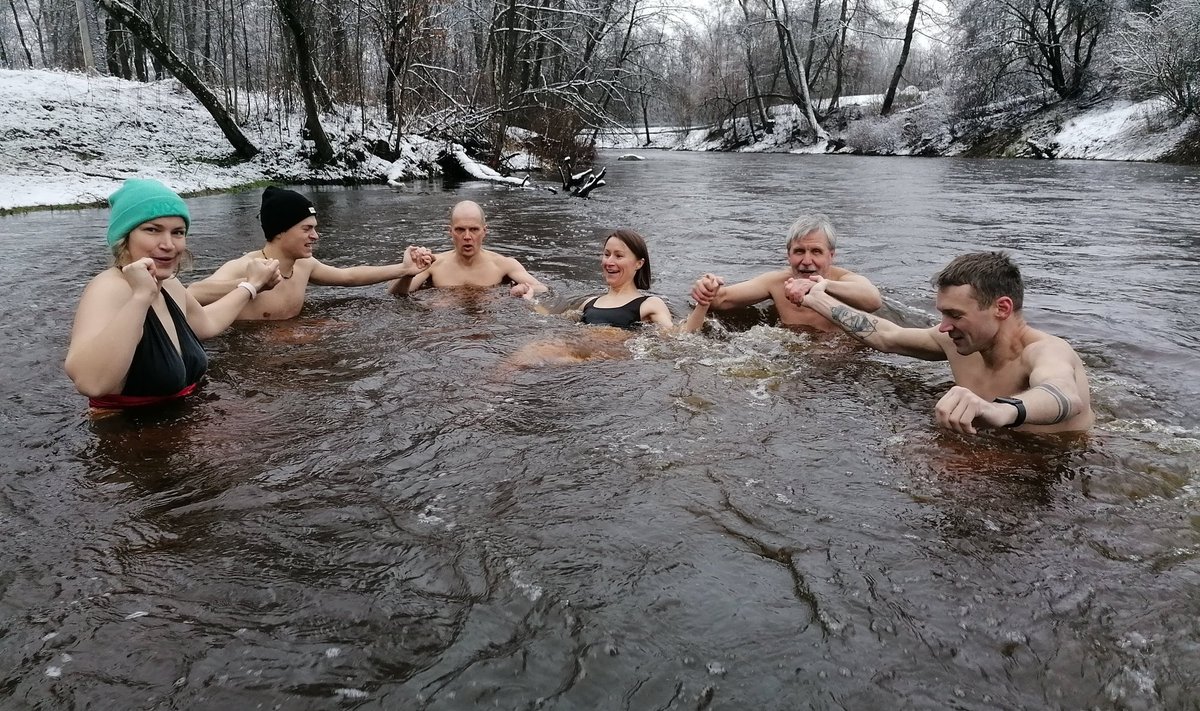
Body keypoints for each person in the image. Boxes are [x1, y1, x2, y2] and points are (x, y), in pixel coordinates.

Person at [786, 251, 1094, 434]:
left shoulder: (1045, 351)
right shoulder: (958, 342)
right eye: (943, 314)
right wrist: (818, 301)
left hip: (1057, 465)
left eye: (955, 315)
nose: (944, 327)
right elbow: (886, 336)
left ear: (1002, 308)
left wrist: (1002, 411)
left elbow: (1064, 395)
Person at [65, 179, 280, 409]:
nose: (168, 244)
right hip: (126, 438)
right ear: (124, 238)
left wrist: (252, 286)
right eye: (152, 230)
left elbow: (206, 323)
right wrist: (140, 298)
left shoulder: (169, 284)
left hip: (178, 432)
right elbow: (91, 383)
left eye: (177, 232)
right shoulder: (108, 288)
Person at [189, 186, 434, 319]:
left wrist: (404, 269)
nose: (315, 236)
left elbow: (348, 277)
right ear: (281, 230)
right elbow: (191, 293)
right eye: (307, 229)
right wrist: (251, 285)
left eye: (314, 229)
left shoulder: (304, 265)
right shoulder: (246, 267)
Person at [508, 230, 706, 367]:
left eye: (618, 256)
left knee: (532, 352)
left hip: (609, 361)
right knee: (527, 354)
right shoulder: (589, 303)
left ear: (638, 263)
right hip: (582, 356)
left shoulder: (649, 304)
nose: (609, 262)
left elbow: (677, 336)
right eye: (606, 254)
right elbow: (550, 319)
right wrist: (529, 299)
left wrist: (702, 304)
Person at [690, 213, 881, 330]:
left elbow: (873, 300)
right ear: (788, 255)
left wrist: (822, 285)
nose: (807, 261)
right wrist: (707, 287)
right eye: (799, 251)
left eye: (816, 251)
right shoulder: (776, 282)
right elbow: (721, 300)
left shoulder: (844, 280)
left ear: (831, 255)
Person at [388, 200, 547, 298]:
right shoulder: (433, 264)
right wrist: (407, 273)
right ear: (450, 231)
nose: (467, 236)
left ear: (485, 231)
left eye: (474, 229)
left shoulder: (504, 265)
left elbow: (543, 289)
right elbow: (395, 295)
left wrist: (524, 288)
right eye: (460, 230)